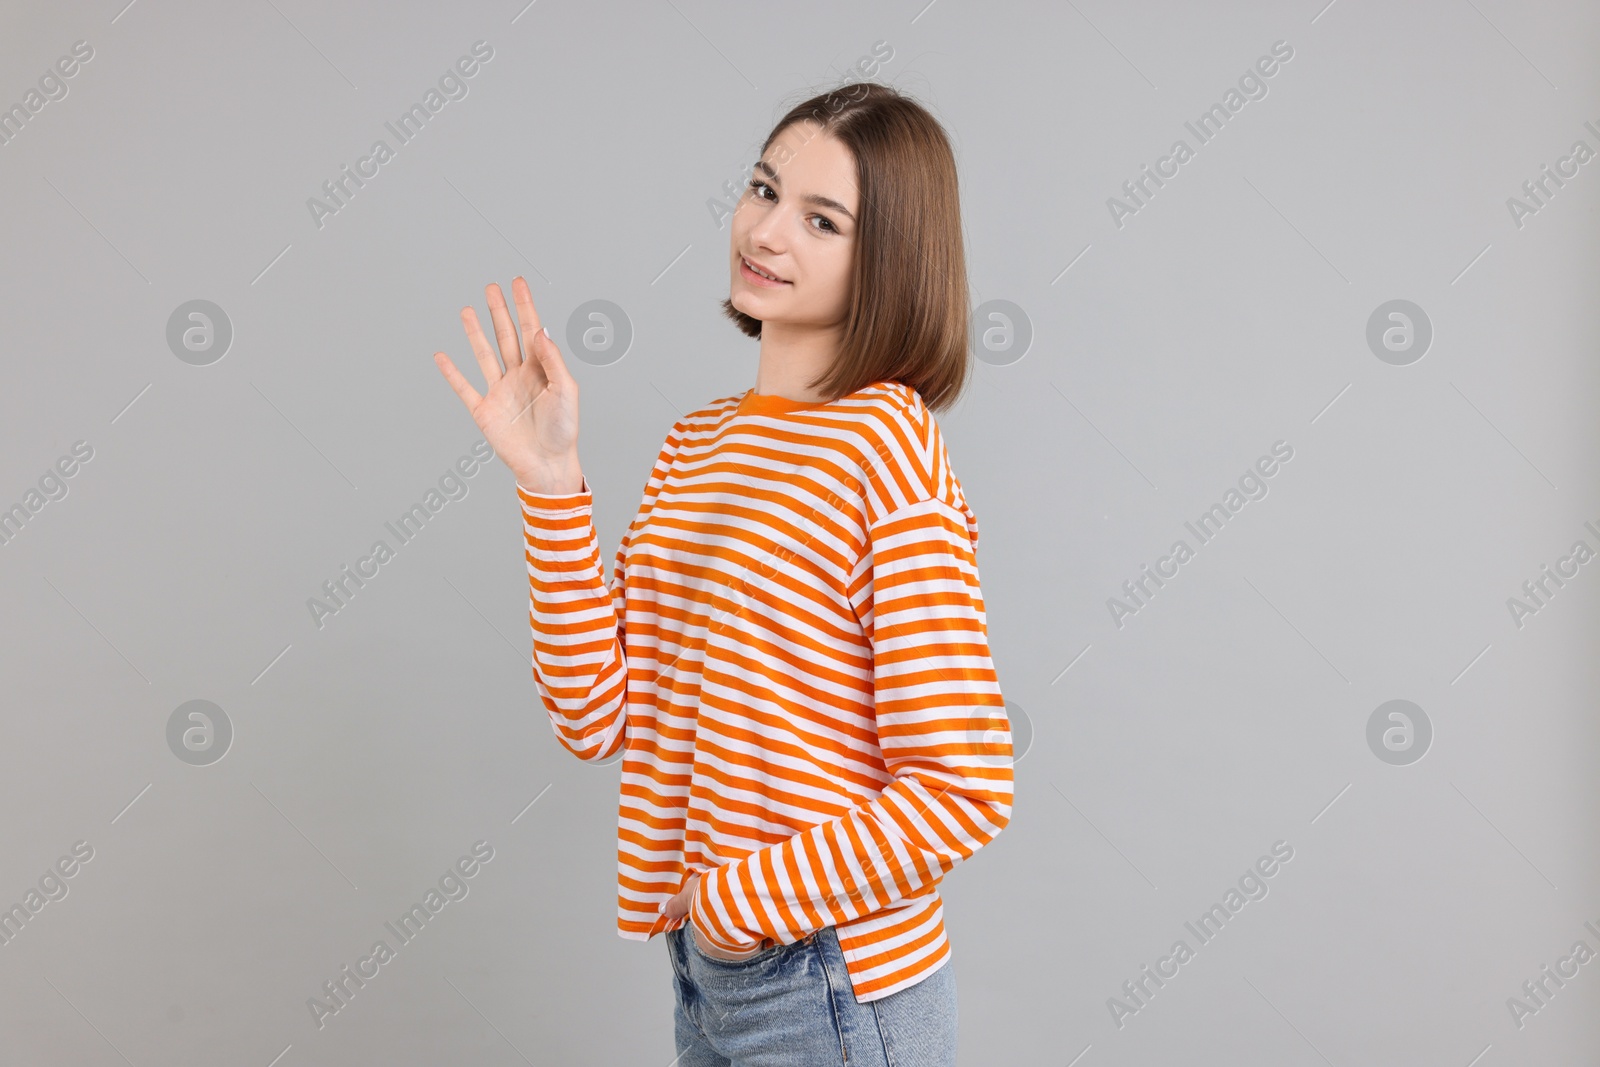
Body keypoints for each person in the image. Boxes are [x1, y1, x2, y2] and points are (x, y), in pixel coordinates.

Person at [435, 80, 1013, 1067]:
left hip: (833, 974)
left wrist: (738, 904)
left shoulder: (887, 444)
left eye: (821, 219)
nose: (766, 230)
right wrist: (552, 483)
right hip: (707, 976)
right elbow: (597, 715)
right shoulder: (695, 443)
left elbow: (964, 783)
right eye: (763, 189)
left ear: (889, 258)